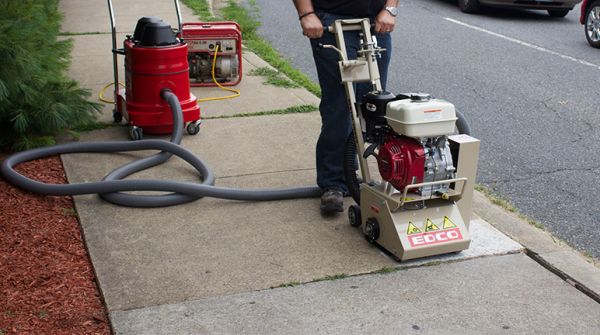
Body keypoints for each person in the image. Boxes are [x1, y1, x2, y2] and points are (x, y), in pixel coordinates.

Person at [292, 0, 398, 214]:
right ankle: (333, 182)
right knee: (340, 105)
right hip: (331, 23)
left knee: (373, 105)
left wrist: (390, 9)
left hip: (376, 23)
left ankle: (349, 173)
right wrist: (306, 14)